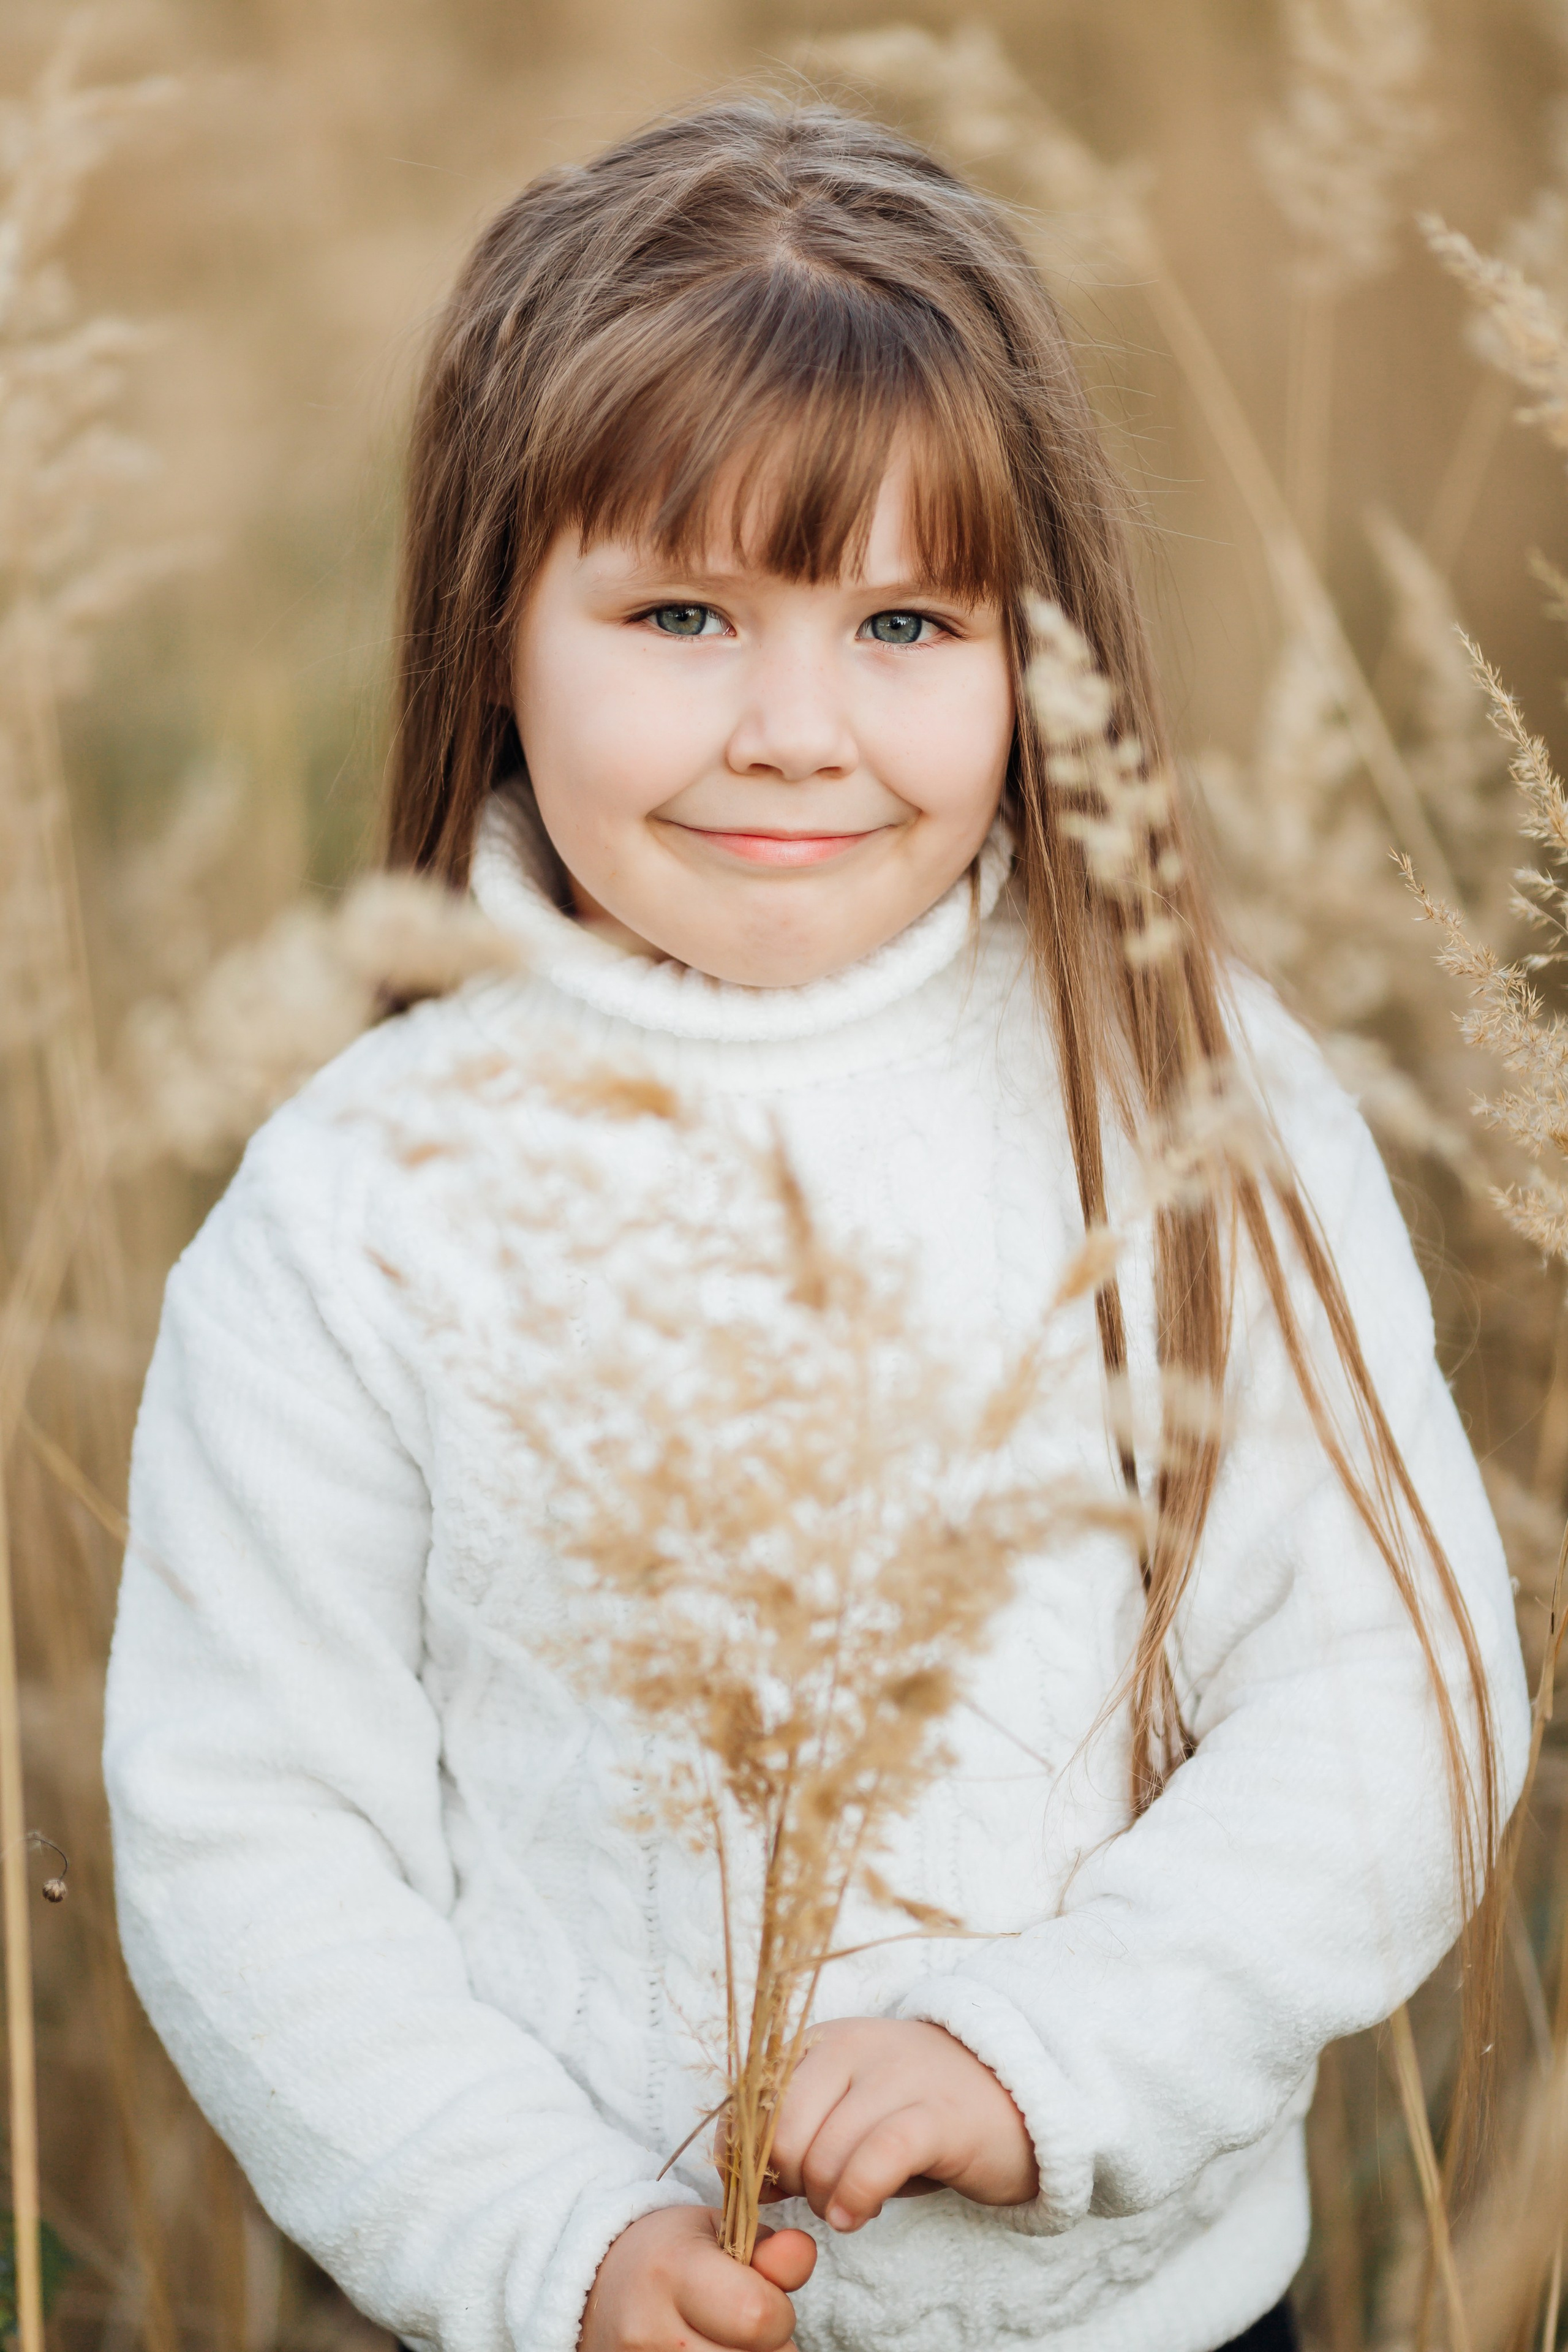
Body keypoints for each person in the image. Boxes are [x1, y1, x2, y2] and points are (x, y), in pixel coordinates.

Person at [104, 99, 1529, 2352]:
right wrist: (549, 2240)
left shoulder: (1177, 1092)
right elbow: (253, 1840)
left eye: (902, 621)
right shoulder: (365, 1207)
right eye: (682, 614)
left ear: (1036, 653)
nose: (793, 729)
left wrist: (1039, 2057)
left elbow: (1394, 1704)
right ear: (497, 628)